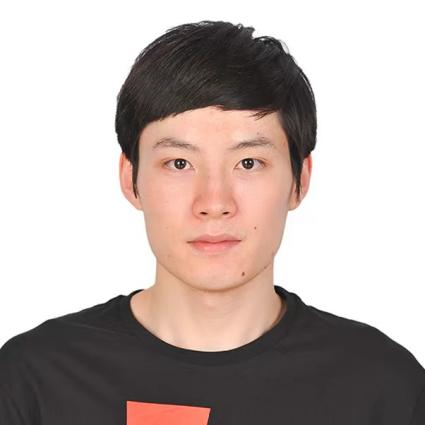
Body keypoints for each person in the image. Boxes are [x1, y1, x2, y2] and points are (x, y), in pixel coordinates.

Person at [1, 19, 424, 425]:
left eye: (249, 163)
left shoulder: (384, 388)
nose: (214, 203)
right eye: (179, 163)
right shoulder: (33, 381)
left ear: (300, 181)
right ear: (130, 179)